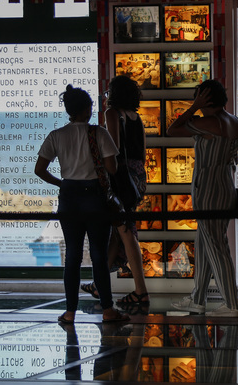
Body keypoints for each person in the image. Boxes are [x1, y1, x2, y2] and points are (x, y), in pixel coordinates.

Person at [34, 85, 128, 324]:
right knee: (98, 255)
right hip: (96, 198)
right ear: (87, 109)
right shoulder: (99, 134)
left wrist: (62, 184)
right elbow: (112, 169)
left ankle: (69, 312)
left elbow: (40, 170)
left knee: (72, 256)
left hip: (69, 198)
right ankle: (108, 310)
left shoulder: (57, 135)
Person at [168, 80, 238, 317]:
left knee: (216, 244)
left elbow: (172, 130)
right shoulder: (233, 120)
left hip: (208, 186)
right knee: (205, 241)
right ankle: (197, 299)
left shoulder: (209, 122)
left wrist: (192, 107)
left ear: (204, 99)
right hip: (226, 183)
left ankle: (231, 304)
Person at [80, 75, 149, 306]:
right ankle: (100, 284)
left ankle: (140, 290)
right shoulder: (136, 117)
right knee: (117, 233)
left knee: (126, 233)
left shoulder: (112, 114)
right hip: (137, 176)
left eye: (109, 91)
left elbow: (114, 147)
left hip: (120, 177)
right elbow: (143, 154)